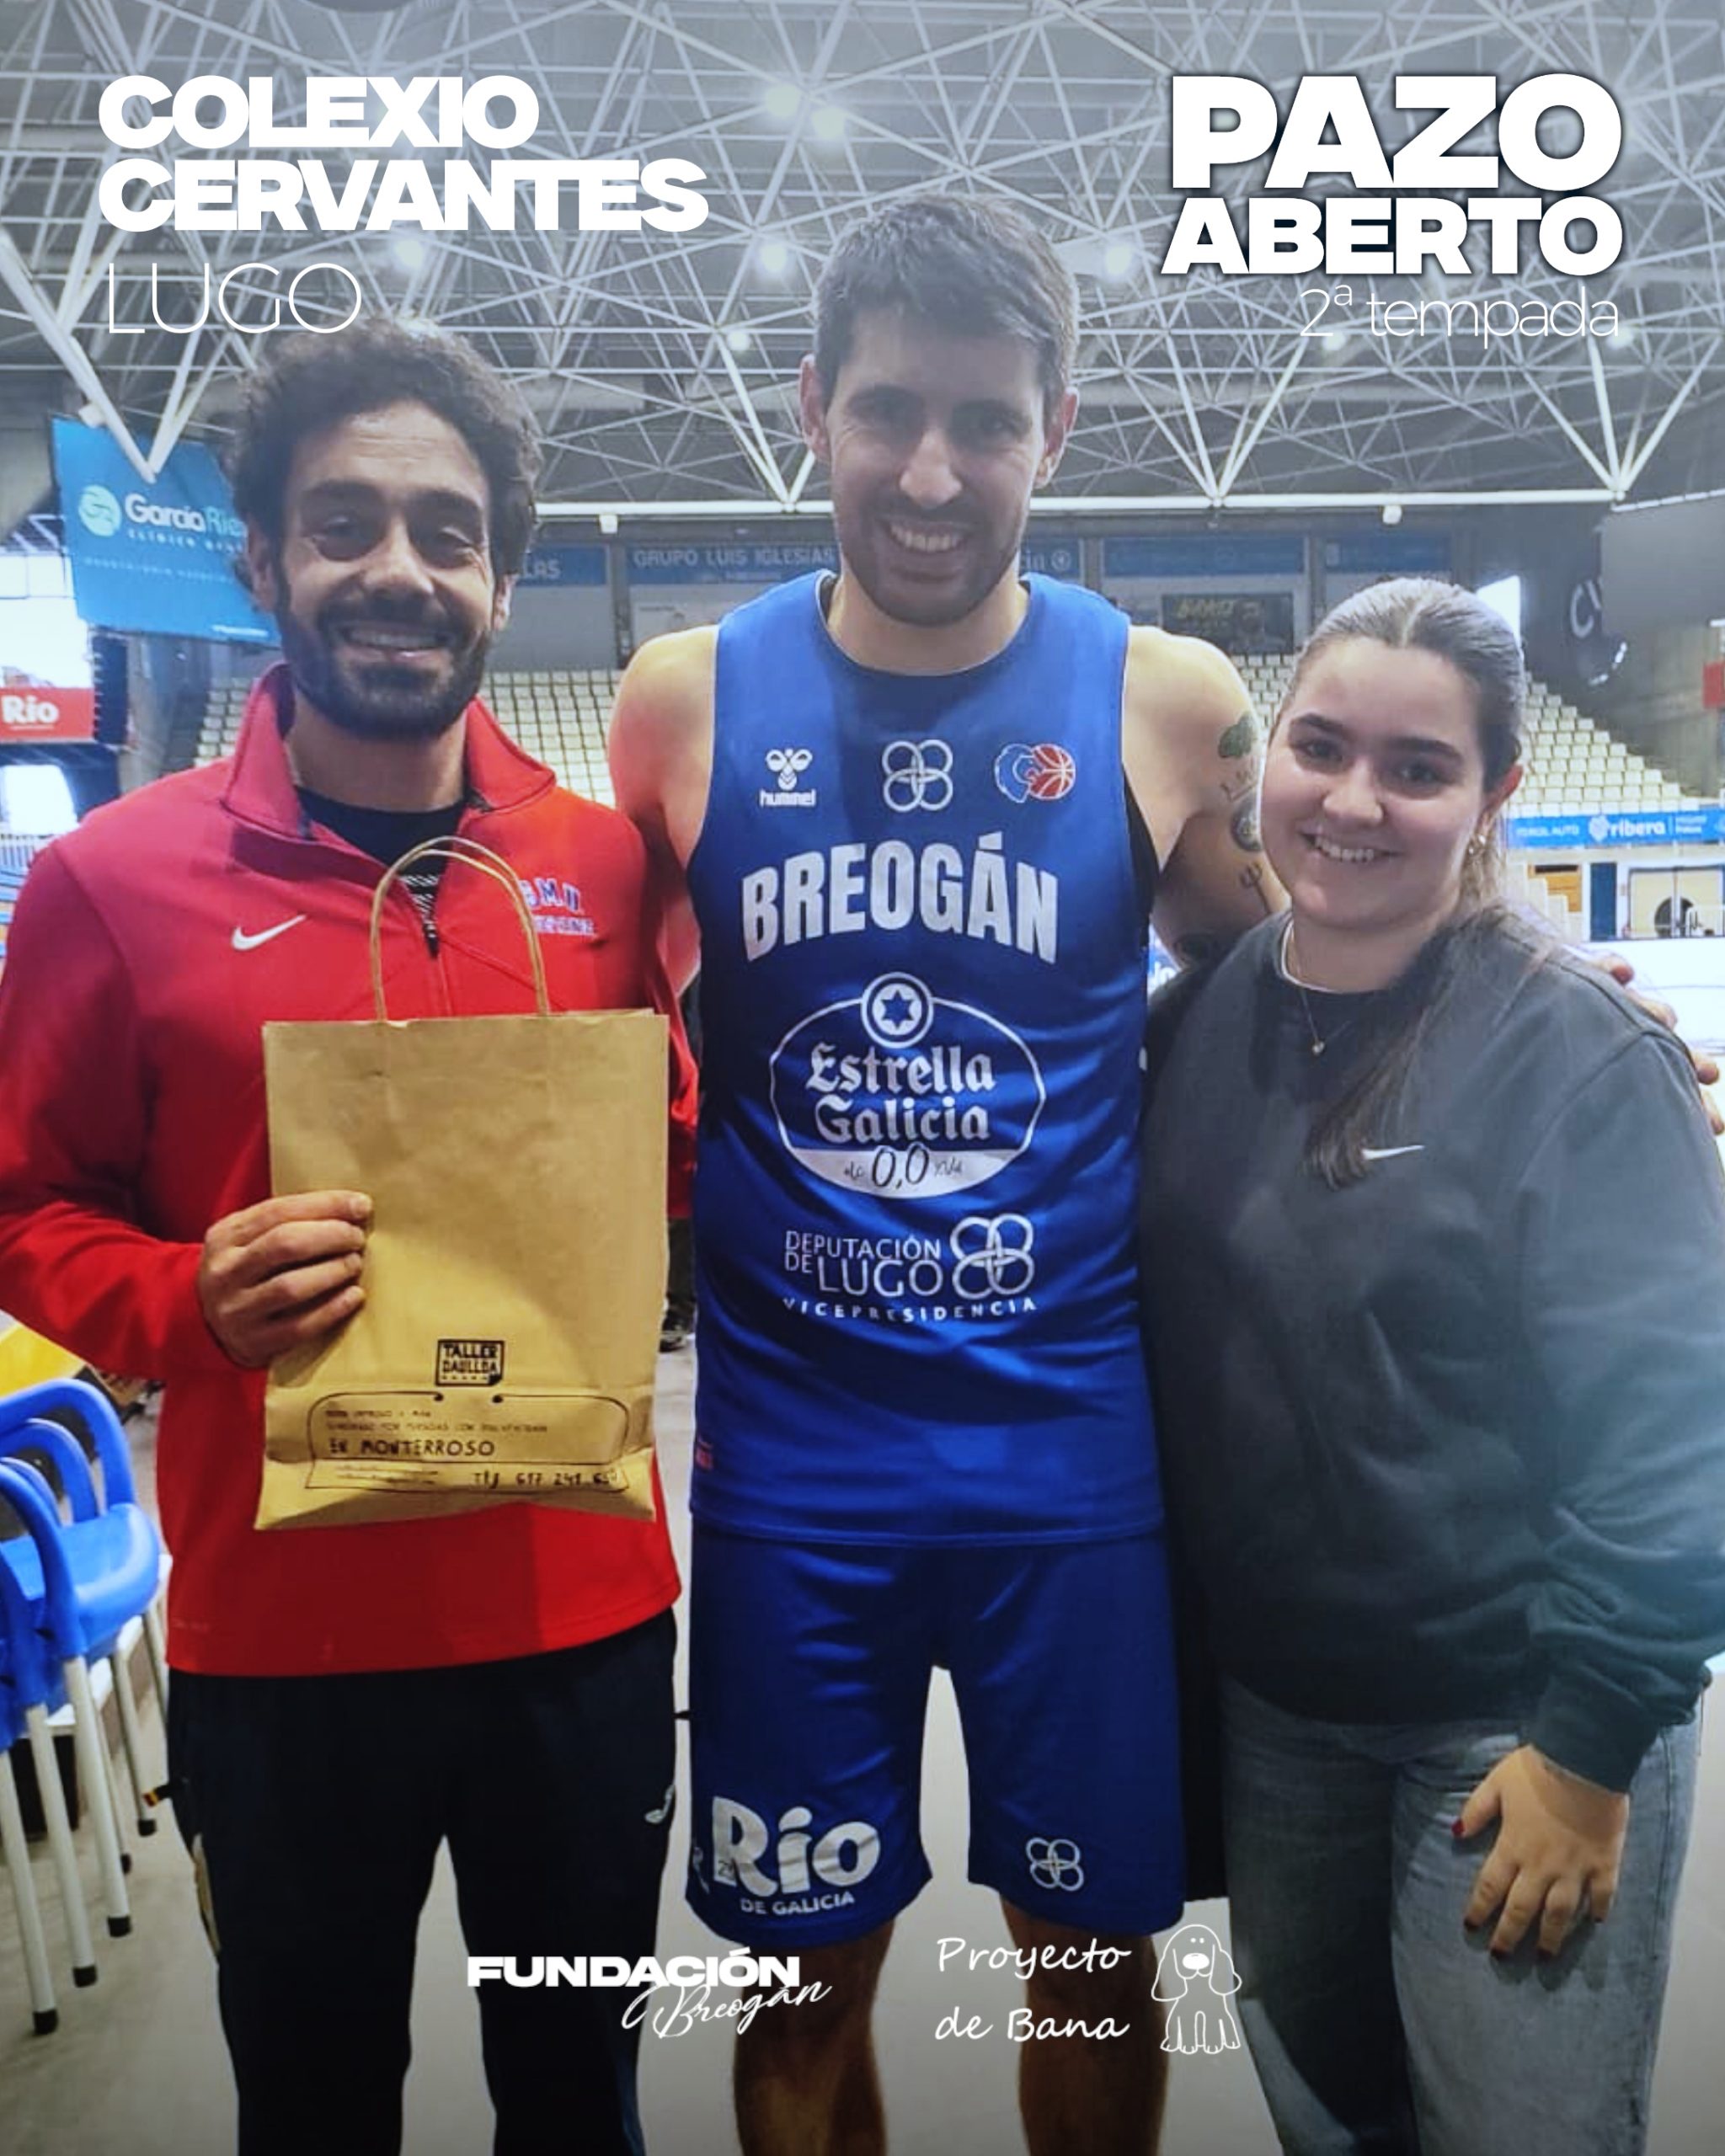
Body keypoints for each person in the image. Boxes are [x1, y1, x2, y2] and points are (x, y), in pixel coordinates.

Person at [609, 195, 1276, 2156]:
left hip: (1069, 1466)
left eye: (983, 421)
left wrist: (1536, 989)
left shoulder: (1161, 696)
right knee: (798, 1985)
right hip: (791, 1478)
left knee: (1093, 1966)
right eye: (887, 410)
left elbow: (1312, 973)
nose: (929, 470)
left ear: (1051, 431)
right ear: (810, 405)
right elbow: (573, 1004)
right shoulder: (682, 697)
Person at [0, 320, 693, 2156]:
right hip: (284, 1649)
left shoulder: (606, 865)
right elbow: (23, 1210)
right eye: (343, 524)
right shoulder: (109, 880)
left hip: (580, 1628)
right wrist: (182, 1295)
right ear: (262, 561)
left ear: (501, 580)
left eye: (447, 533)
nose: (399, 569)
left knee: (582, 2101)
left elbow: (674, 1162)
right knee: (313, 2112)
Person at [1140, 578, 1725, 2156]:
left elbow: (1675, 1436)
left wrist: (1589, 1750)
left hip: (1510, 1726)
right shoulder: (1194, 1031)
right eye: (1323, 749)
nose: (1354, 802)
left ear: (1493, 795)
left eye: (1418, 769)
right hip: (1285, 1724)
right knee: (1332, 2128)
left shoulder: (1580, 1056)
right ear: (1268, 760)